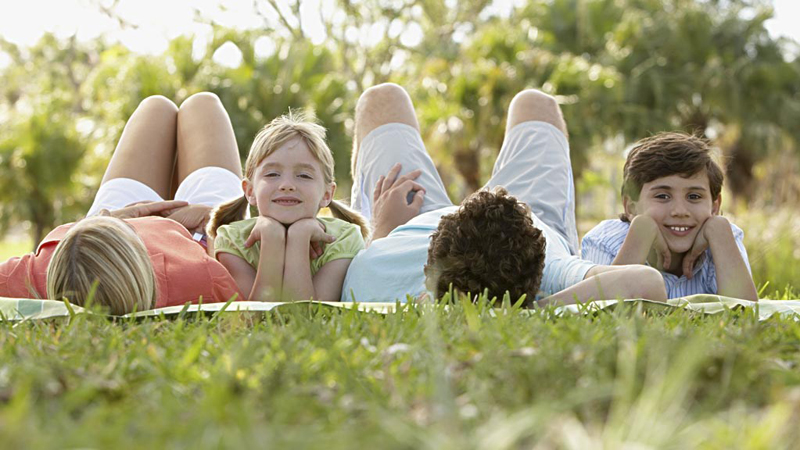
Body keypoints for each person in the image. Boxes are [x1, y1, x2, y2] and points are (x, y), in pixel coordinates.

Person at [342, 83, 668, 306]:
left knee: (383, 97)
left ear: (428, 269)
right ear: (536, 281)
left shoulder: (374, 271)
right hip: (526, 223)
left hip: (406, 225)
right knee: (535, 103)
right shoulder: (551, 269)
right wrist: (534, 310)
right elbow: (646, 283)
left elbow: (370, 261)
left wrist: (383, 230)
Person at [0, 93, 246, 314]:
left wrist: (107, 220)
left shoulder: (36, 274)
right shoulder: (200, 279)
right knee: (203, 104)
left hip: (92, 238)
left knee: (155, 107)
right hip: (199, 232)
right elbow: (243, 280)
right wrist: (215, 222)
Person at [207, 112, 367, 302]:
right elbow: (255, 319)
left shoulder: (343, 239)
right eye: (273, 174)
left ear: (327, 194)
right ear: (250, 191)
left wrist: (299, 237)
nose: (287, 185)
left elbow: (307, 316)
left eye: (304, 176)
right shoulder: (233, 240)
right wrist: (272, 239)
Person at [581, 132, 758, 300]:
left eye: (694, 196)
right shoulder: (604, 241)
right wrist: (640, 237)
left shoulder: (723, 237)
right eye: (662, 196)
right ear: (631, 207)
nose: (680, 211)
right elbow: (599, 311)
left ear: (714, 206)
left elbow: (745, 315)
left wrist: (720, 232)